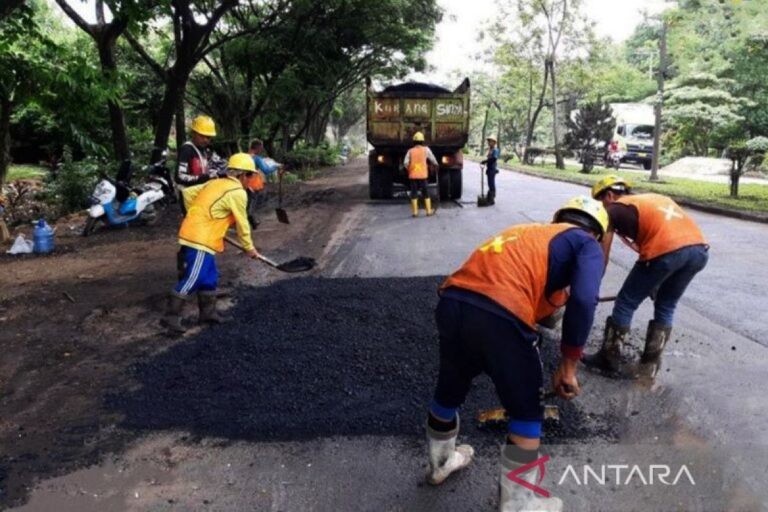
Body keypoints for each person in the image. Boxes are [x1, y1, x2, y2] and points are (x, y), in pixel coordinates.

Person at [426, 196, 608, 512]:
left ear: (559, 218)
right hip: (501, 313)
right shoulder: (586, 243)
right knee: (526, 411)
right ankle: (519, 503)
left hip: (453, 301)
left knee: (450, 387)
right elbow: (584, 300)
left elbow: (543, 302)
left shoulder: (528, 233)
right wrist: (568, 366)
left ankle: (440, 463)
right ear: (598, 233)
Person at [582, 175, 709, 378]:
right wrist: (655, 282)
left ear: (608, 195)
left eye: (599, 203)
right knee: (666, 304)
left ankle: (609, 359)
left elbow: (602, 256)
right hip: (699, 252)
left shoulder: (612, 210)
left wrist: (588, 290)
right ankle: (650, 363)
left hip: (666, 252)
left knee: (626, 302)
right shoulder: (648, 200)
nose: (599, 209)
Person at [162, 153, 262, 333]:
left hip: (204, 235)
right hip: (199, 238)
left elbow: (188, 193)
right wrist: (249, 248)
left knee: (210, 277)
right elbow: (242, 223)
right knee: (195, 277)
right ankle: (170, 318)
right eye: (250, 175)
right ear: (240, 175)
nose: (251, 180)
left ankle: (207, 314)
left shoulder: (215, 183)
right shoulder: (237, 192)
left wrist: (201, 213)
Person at [176, 115, 218, 213]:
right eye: (202, 136)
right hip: (188, 195)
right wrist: (203, 178)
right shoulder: (187, 149)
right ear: (193, 133)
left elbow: (204, 169)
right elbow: (179, 176)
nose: (205, 140)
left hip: (200, 193)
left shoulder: (204, 151)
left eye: (208, 137)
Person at [403, 131, 438, 217]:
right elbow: (432, 159)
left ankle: (415, 212)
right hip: (423, 176)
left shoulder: (410, 151)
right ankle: (428, 211)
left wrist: (409, 169)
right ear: (422, 141)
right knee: (425, 193)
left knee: (414, 193)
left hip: (413, 176)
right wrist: (436, 164)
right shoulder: (426, 150)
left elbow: (405, 163)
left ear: (414, 142)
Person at [480, 136, 500, 205]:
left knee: (491, 183)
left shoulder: (495, 150)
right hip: (489, 168)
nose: (489, 142)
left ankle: (492, 199)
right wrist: (485, 162)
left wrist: (485, 161)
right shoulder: (490, 150)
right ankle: (489, 197)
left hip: (492, 169)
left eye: (490, 141)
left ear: (494, 142)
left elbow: (494, 159)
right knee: (489, 183)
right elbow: (489, 159)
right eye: (488, 141)